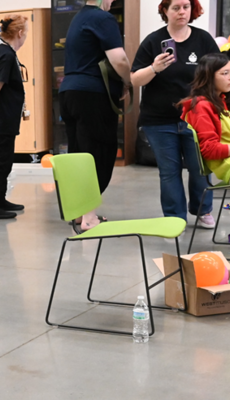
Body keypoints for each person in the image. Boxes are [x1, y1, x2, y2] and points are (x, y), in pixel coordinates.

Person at [131, 0, 219, 226]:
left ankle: (203, 210)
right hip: (159, 120)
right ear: (165, 11)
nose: (182, 12)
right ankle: (174, 218)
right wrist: (154, 68)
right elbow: (135, 79)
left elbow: (219, 73)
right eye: (176, 8)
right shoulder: (153, 41)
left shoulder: (203, 40)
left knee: (201, 168)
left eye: (186, 7)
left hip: (196, 119)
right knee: (169, 172)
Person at [56, 0, 132, 231]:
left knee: (78, 152)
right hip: (91, 94)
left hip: (69, 92)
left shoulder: (78, 18)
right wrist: (128, 82)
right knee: (98, 151)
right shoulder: (103, 18)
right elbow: (118, 59)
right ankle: (89, 217)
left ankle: (79, 213)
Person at [0, 15, 37, 220]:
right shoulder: (6, 55)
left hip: (3, 118)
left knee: (5, 160)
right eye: (25, 33)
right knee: (0, 162)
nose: (25, 36)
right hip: (1, 119)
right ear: (19, 33)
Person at [180, 53, 230, 213]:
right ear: (208, 76)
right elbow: (210, 150)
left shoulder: (222, 99)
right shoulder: (202, 107)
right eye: (224, 73)